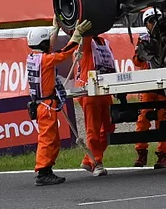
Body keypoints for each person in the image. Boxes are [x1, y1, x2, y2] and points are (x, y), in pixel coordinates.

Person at [26, 17, 92, 186]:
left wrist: (55, 29)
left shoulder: (34, 57)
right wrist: (77, 34)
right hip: (46, 106)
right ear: (43, 44)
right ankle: (43, 172)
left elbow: (48, 48)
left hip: (43, 105)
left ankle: (46, 170)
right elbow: (65, 52)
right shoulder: (46, 60)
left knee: (52, 140)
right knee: (47, 140)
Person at [131, 8, 166, 169]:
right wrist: (141, 55)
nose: (154, 23)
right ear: (146, 24)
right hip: (147, 84)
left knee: (163, 120)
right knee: (143, 119)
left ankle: (164, 155)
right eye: (151, 21)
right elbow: (136, 61)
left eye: (157, 19)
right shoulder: (143, 39)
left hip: (164, 83)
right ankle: (141, 153)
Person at [77, 24, 116, 175]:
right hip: (89, 91)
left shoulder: (105, 42)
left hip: (104, 90)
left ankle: (89, 159)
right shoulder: (86, 42)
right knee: (93, 129)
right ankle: (97, 162)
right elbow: (84, 36)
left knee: (110, 127)